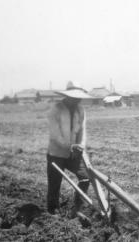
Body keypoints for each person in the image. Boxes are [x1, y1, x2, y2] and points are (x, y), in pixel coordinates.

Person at [46, 81, 92, 217]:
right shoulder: (55, 110)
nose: (77, 100)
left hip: (74, 154)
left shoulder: (81, 110)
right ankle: (53, 212)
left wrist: (80, 147)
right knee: (55, 184)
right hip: (56, 153)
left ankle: (77, 209)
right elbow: (54, 135)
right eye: (74, 97)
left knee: (85, 178)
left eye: (79, 97)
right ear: (67, 97)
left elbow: (83, 132)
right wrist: (69, 146)